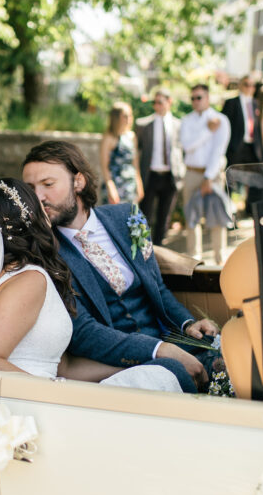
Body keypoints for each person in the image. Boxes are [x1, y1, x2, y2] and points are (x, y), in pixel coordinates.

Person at [22, 141, 220, 394]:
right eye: (31, 189)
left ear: (78, 182)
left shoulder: (128, 217)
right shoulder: (44, 252)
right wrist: (158, 351)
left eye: (48, 185)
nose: (38, 196)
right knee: (178, 373)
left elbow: (157, 287)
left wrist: (187, 323)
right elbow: (82, 332)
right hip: (119, 362)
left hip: (167, 338)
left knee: (230, 353)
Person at [0, 177, 182, 392]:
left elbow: (65, 369)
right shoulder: (28, 280)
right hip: (36, 400)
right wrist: (56, 395)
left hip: (57, 386)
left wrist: (132, 368)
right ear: (31, 215)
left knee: (165, 369)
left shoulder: (21, 274)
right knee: (170, 375)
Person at [178, 85, 232, 266]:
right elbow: (187, 146)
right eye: (193, 98)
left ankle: (219, 259)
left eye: (199, 97)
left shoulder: (221, 120)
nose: (195, 101)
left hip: (212, 175)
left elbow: (218, 151)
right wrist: (207, 131)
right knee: (191, 217)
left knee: (216, 217)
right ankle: (194, 261)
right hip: (192, 172)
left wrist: (209, 177)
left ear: (207, 98)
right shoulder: (186, 121)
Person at [136, 89, 184, 245]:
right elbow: (138, 151)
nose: (156, 106)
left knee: (164, 218)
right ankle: (142, 250)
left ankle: (159, 251)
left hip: (170, 176)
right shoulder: (143, 125)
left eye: (160, 102)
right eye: (154, 102)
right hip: (150, 176)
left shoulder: (178, 125)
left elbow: (181, 149)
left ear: (169, 102)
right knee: (144, 217)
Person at [99, 101, 144, 205]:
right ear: (116, 117)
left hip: (130, 186)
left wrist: (139, 184)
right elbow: (105, 166)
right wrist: (110, 188)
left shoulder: (132, 136)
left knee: (129, 219)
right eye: (125, 116)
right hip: (115, 186)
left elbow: (135, 164)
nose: (129, 119)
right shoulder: (109, 138)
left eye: (130, 115)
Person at [222, 74, 263, 168]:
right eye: (246, 84)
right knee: (234, 178)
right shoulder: (231, 103)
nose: (250, 88)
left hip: (252, 147)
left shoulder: (255, 103)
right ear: (240, 85)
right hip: (236, 147)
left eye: (252, 85)